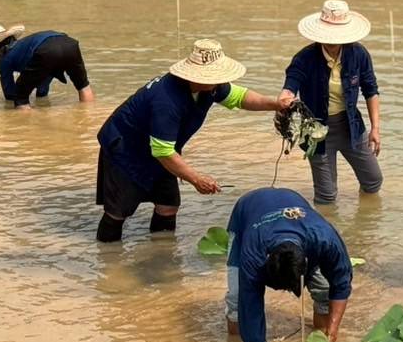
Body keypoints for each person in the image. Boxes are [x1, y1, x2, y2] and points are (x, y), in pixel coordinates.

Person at [94, 39, 291, 241]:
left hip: (162, 149)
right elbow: (162, 151)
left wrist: (275, 104)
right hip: (126, 149)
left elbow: (240, 97)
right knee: (118, 211)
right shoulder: (167, 100)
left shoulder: (210, 87)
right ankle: (108, 261)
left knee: (168, 206)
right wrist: (196, 179)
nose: (220, 81)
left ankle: (162, 254)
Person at [225, 187, 353, 342]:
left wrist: (332, 333)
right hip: (247, 210)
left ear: (306, 262)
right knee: (237, 301)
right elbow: (250, 303)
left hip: (296, 210)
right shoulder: (253, 253)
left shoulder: (325, 239)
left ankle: (321, 333)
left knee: (324, 291)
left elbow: (341, 284)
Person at [281, 0, 383, 205]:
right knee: (326, 196)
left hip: (351, 126)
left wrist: (375, 128)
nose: (332, 41)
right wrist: (285, 98)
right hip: (316, 131)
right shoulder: (304, 58)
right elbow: (291, 84)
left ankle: (367, 225)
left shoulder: (358, 54)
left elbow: (370, 90)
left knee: (373, 181)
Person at [0, 24, 93, 109]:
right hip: (69, 43)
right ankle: (88, 116)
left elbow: (10, 94)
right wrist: (41, 95)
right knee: (83, 86)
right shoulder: (25, 45)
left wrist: (18, 99)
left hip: (46, 50)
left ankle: (32, 130)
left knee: (20, 98)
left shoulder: (3, 58)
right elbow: (47, 72)